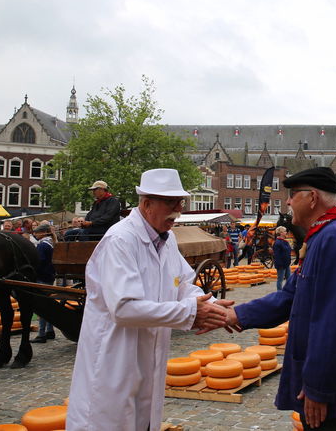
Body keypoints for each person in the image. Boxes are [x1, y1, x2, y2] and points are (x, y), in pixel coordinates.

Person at [66, 169, 234, 430]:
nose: (178, 210)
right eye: (171, 203)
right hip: (115, 358)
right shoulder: (120, 240)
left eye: (180, 203)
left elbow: (184, 285)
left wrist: (209, 306)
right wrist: (191, 312)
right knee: (110, 421)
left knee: (143, 420)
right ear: (146, 204)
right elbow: (123, 308)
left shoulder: (166, 240)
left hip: (148, 356)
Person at [224, 167, 336, 430]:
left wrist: (320, 388)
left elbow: (335, 322)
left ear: (312, 198)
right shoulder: (323, 236)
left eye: (293, 194)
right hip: (327, 389)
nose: (287, 201)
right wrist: (236, 315)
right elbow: (290, 296)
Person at [32, 223, 56, 343]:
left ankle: (41, 334)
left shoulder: (42, 245)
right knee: (48, 304)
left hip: (43, 277)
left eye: (36, 232)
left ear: (42, 233)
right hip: (49, 276)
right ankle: (50, 331)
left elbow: (39, 261)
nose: (35, 235)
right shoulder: (50, 243)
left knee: (42, 307)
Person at [273, 226, 292, 290]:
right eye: (284, 231)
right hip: (281, 265)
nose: (286, 232)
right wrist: (279, 265)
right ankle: (279, 292)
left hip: (287, 264)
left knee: (289, 279)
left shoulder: (285, 242)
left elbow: (289, 251)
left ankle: (288, 291)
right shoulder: (277, 243)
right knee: (280, 279)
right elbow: (277, 255)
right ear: (281, 233)